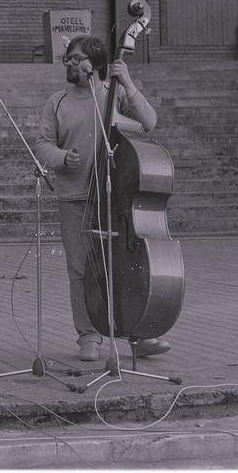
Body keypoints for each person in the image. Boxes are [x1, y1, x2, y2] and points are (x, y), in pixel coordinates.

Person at [35, 35, 171, 362]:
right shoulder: (57, 101)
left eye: (75, 58)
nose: (68, 63)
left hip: (115, 198)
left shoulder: (112, 95)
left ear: (92, 64)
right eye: (67, 58)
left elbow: (148, 123)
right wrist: (61, 156)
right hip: (75, 199)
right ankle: (88, 335)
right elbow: (42, 144)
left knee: (123, 268)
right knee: (81, 270)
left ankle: (137, 335)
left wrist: (127, 81)